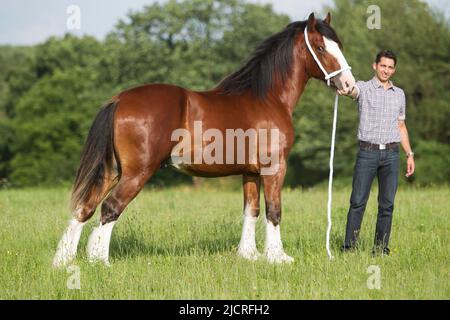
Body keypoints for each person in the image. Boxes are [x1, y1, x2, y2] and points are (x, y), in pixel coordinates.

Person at [337, 50, 415, 256]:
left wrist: (409, 154)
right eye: (383, 66)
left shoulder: (399, 94)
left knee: (387, 205)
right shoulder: (364, 88)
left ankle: (380, 250)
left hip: (391, 155)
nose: (386, 70)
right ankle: (349, 249)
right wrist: (345, 89)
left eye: (390, 67)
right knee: (358, 202)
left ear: (394, 69)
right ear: (375, 66)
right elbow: (353, 90)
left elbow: (401, 126)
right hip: (367, 153)